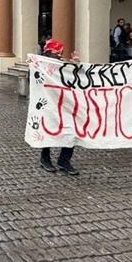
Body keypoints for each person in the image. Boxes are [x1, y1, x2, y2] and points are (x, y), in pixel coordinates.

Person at [39, 39, 80, 176]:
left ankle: (64, 160)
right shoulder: (40, 65)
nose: (59, 55)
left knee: (71, 130)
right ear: (49, 52)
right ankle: (45, 158)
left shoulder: (63, 65)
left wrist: (75, 65)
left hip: (64, 104)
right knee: (48, 130)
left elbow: (74, 78)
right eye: (56, 52)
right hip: (48, 104)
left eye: (60, 52)